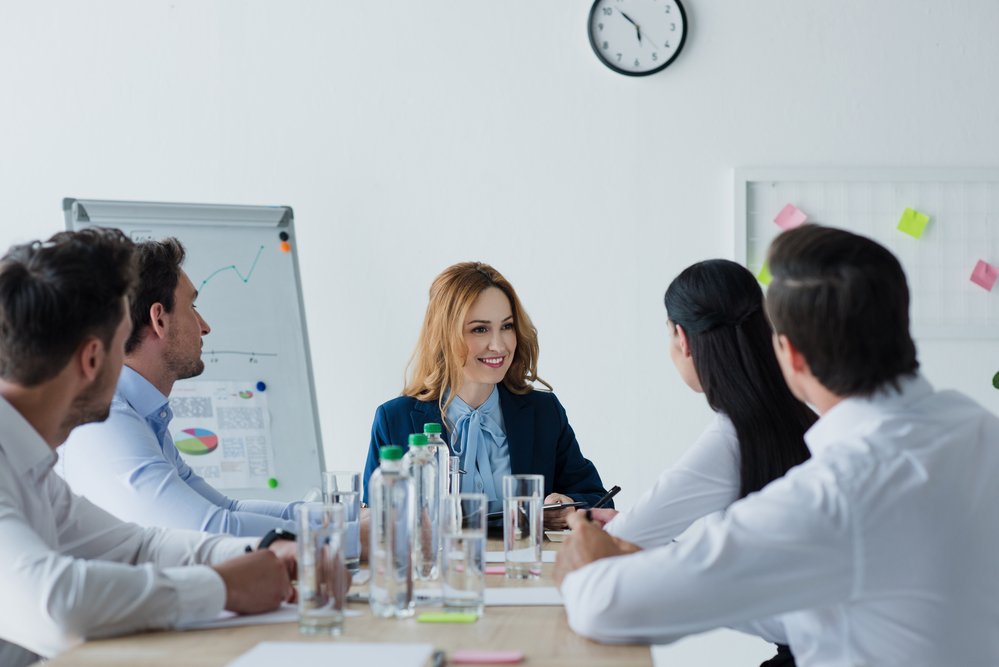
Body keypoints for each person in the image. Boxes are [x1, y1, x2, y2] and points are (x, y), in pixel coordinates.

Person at [555, 225, 999, 666]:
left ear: (790, 353)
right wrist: (665, 559)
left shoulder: (834, 493)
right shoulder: (979, 429)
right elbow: (828, 603)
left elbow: (604, 607)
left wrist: (590, 557)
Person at [0, 228, 297, 667]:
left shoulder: (30, 462)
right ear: (92, 360)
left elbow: (139, 547)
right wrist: (221, 586)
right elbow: (55, 604)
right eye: (123, 346)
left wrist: (267, 553)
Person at [58, 238, 301, 536]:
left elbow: (228, 508)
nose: (205, 326)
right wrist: (347, 536)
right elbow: (211, 528)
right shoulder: (106, 418)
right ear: (159, 319)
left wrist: (345, 519)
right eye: (192, 306)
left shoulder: (142, 414)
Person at [362, 261, 609, 529]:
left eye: (507, 326)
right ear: (445, 334)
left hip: (525, 568)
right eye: (480, 329)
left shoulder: (544, 412)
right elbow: (374, 525)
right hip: (439, 569)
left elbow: (599, 501)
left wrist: (568, 506)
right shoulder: (393, 419)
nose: (499, 345)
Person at [591, 259, 814, 552]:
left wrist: (611, 526)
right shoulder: (802, 416)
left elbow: (622, 538)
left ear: (682, 338)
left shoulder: (731, 438)